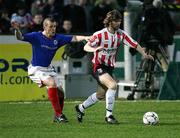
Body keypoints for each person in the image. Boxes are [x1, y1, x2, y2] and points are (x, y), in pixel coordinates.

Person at [75, 10, 154, 124]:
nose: (118, 23)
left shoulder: (121, 34)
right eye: (116, 21)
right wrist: (95, 49)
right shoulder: (100, 34)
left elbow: (134, 43)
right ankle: (109, 116)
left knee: (101, 94)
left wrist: (144, 54)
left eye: (120, 21)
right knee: (113, 85)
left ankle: (80, 108)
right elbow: (86, 47)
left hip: (109, 67)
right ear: (110, 21)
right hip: (98, 66)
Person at [11, 17, 89, 123]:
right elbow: (20, 37)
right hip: (36, 69)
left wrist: (86, 37)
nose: (53, 29)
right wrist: (17, 30)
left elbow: (74, 38)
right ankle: (59, 115)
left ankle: (57, 116)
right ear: (45, 27)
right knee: (51, 83)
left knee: (61, 93)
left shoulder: (57, 38)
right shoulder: (36, 36)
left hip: (48, 69)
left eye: (55, 26)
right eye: (51, 26)